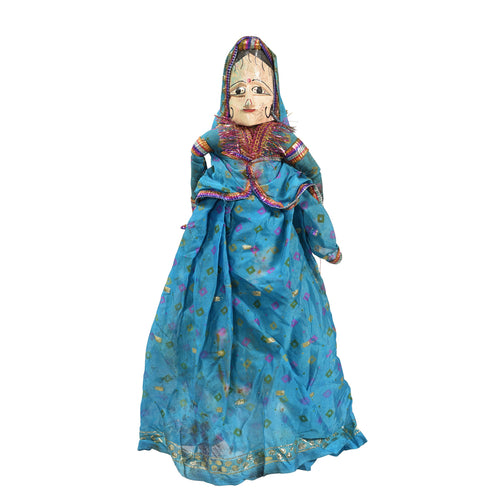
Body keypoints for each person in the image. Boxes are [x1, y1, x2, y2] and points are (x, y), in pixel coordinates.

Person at [138, 36, 366, 485]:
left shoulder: (282, 140)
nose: (248, 98)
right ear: (226, 97)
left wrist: (314, 221)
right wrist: (198, 199)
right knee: (222, 341)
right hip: (220, 261)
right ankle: (225, 435)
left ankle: (288, 428)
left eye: (259, 90)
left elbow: (313, 173)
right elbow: (195, 152)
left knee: (288, 338)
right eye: (238, 90)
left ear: (273, 99)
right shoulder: (219, 138)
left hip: (281, 254)